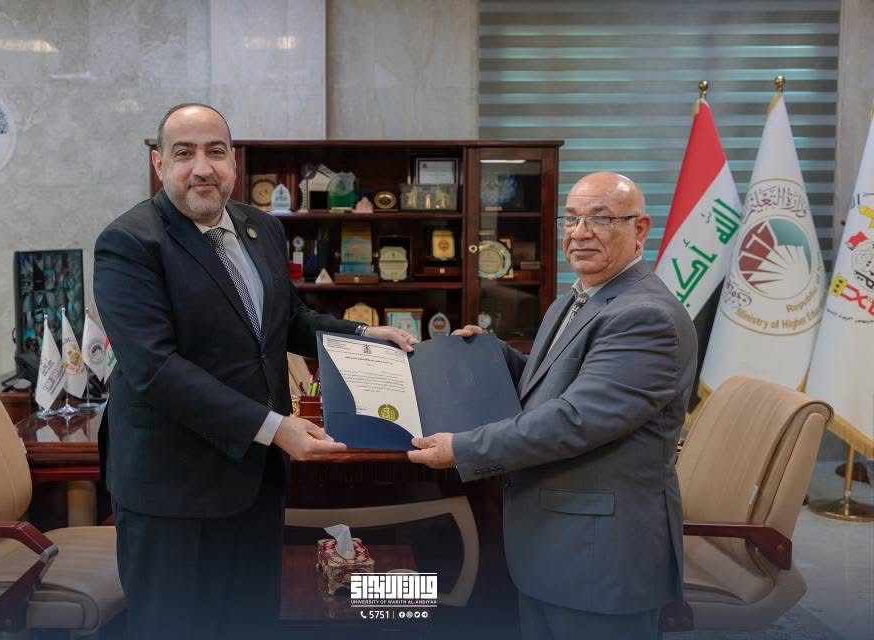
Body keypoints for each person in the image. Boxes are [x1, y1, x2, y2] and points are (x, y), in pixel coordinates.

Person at [93, 103, 416, 639]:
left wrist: (362, 335)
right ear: (159, 163)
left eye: (215, 151)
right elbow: (155, 368)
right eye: (184, 153)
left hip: (255, 481)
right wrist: (274, 427)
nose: (202, 168)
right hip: (174, 489)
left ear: (234, 161)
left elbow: (288, 321)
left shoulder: (260, 227)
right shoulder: (129, 242)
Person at [409, 172, 697, 640]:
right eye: (571, 219)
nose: (579, 233)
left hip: (599, 557)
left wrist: (462, 448)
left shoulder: (646, 316)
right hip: (554, 545)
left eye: (600, 219)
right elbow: (558, 383)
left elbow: (575, 419)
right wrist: (494, 355)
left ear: (640, 229)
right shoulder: (575, 300)